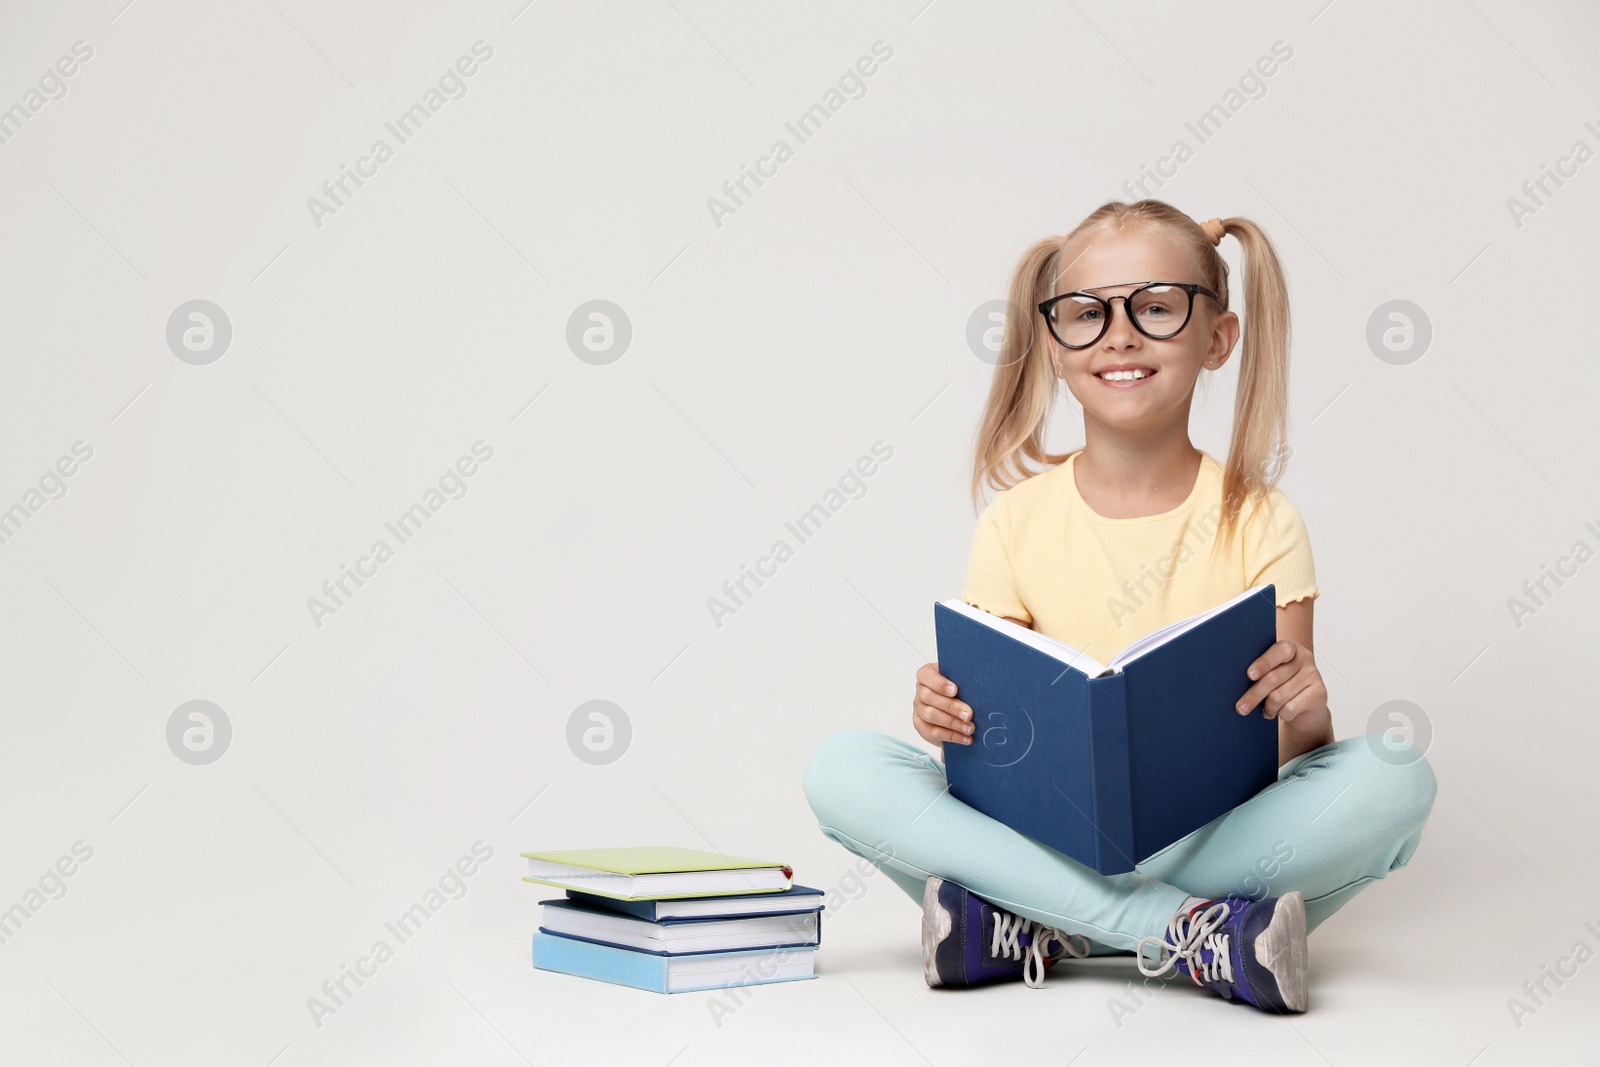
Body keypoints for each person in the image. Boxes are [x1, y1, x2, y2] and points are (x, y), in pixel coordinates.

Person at [801, 200, 1437, 1013]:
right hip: (1042, 839)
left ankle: (1037, 927)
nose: (1120, 335)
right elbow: (991, 758)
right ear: (1056, 346)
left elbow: (1292, 749)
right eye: (1087, 314)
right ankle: (1188, 936)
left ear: (1218, 338)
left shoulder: (1262, 518)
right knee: (844, 768)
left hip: (1211, 840)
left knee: (1394, 777)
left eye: (1158, 307)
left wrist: (1309, 709)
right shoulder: (1015, 521)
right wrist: (948, 718)